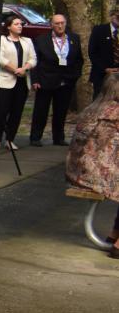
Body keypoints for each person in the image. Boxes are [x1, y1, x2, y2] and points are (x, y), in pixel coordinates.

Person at [65, 74, 119, 259]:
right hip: (94, 173)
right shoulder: (114, 113)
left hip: (78, 170)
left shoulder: (94, 108)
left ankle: (114, 234)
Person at [29, 14, 83, 147]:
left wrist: (74, 76)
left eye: (62, 23)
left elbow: (78, 60)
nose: (60, 26)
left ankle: (58, 138)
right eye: (57, 23)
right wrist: (35, 79)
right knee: (41, 110)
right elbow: (35, 61)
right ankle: (35, 137)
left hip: (66, 81)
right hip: (45, 80)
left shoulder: (74, 39)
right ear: (51, 25)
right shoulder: (41, 40)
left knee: (61, 111)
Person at [0, 13, 36, 150]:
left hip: (22, 82)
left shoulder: (27, 41)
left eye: (21, 24)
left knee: (17, 111)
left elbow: (33, 59)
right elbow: (0, 59)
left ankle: (10, 139)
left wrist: (24, 68)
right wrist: (15, 69)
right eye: (16, 24)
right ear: (8, 27)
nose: (20, 26)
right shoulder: (2, 40)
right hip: (5, 81)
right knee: (1, 110)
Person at [87, 6, 119, 100]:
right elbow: (92, 53)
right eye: (118, 16)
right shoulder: (99, 30)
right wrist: (105, 69)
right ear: (112, 16)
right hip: (101, 75)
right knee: (99, 103)